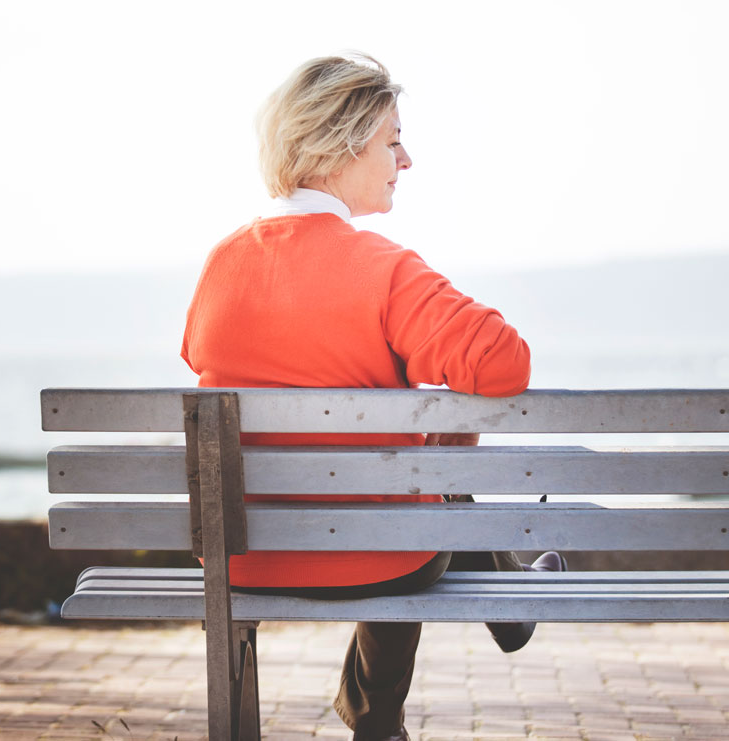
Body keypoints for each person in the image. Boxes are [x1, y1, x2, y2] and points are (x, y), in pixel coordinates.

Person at [179, 53, 566, 741]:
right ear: (340, 144)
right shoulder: (384, 269)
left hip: (244, 555)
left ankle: (497, 615)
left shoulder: (220, 264)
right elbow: (507, 363)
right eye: (392, 140)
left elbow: (203, 361)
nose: (406, 159)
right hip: (384, 557)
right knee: (422, 494)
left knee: (413, 488)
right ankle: (389, 707)